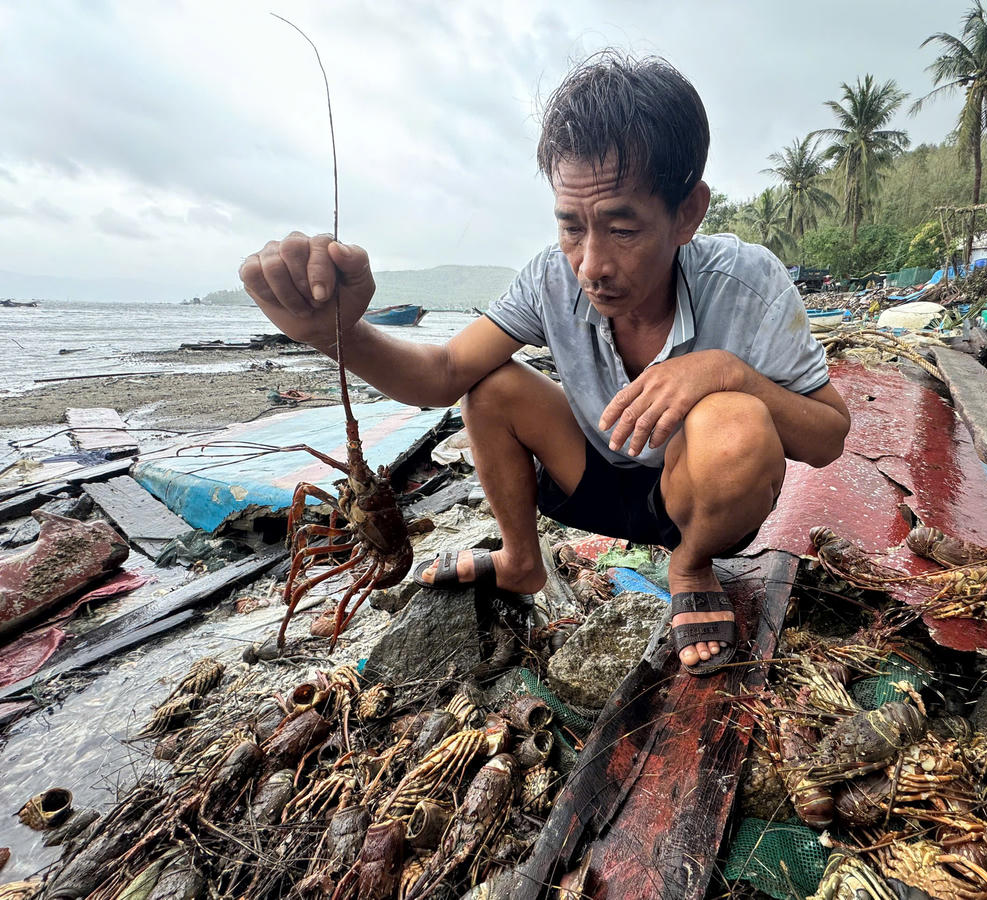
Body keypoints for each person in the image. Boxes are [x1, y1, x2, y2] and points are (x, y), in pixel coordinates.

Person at [238, 53, 850, 675]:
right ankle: (521, 559)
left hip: (701, 502)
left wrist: (729, 373)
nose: (591, 265)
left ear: (688, 212)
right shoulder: (551, 280)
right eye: (571, 227)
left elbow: (828, 437)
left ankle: (689, 564)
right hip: (591, 482)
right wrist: (338, 333)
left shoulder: (749, 285)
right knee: (491, 386)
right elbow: (445, 371)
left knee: (736, 420)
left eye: (622, 229)